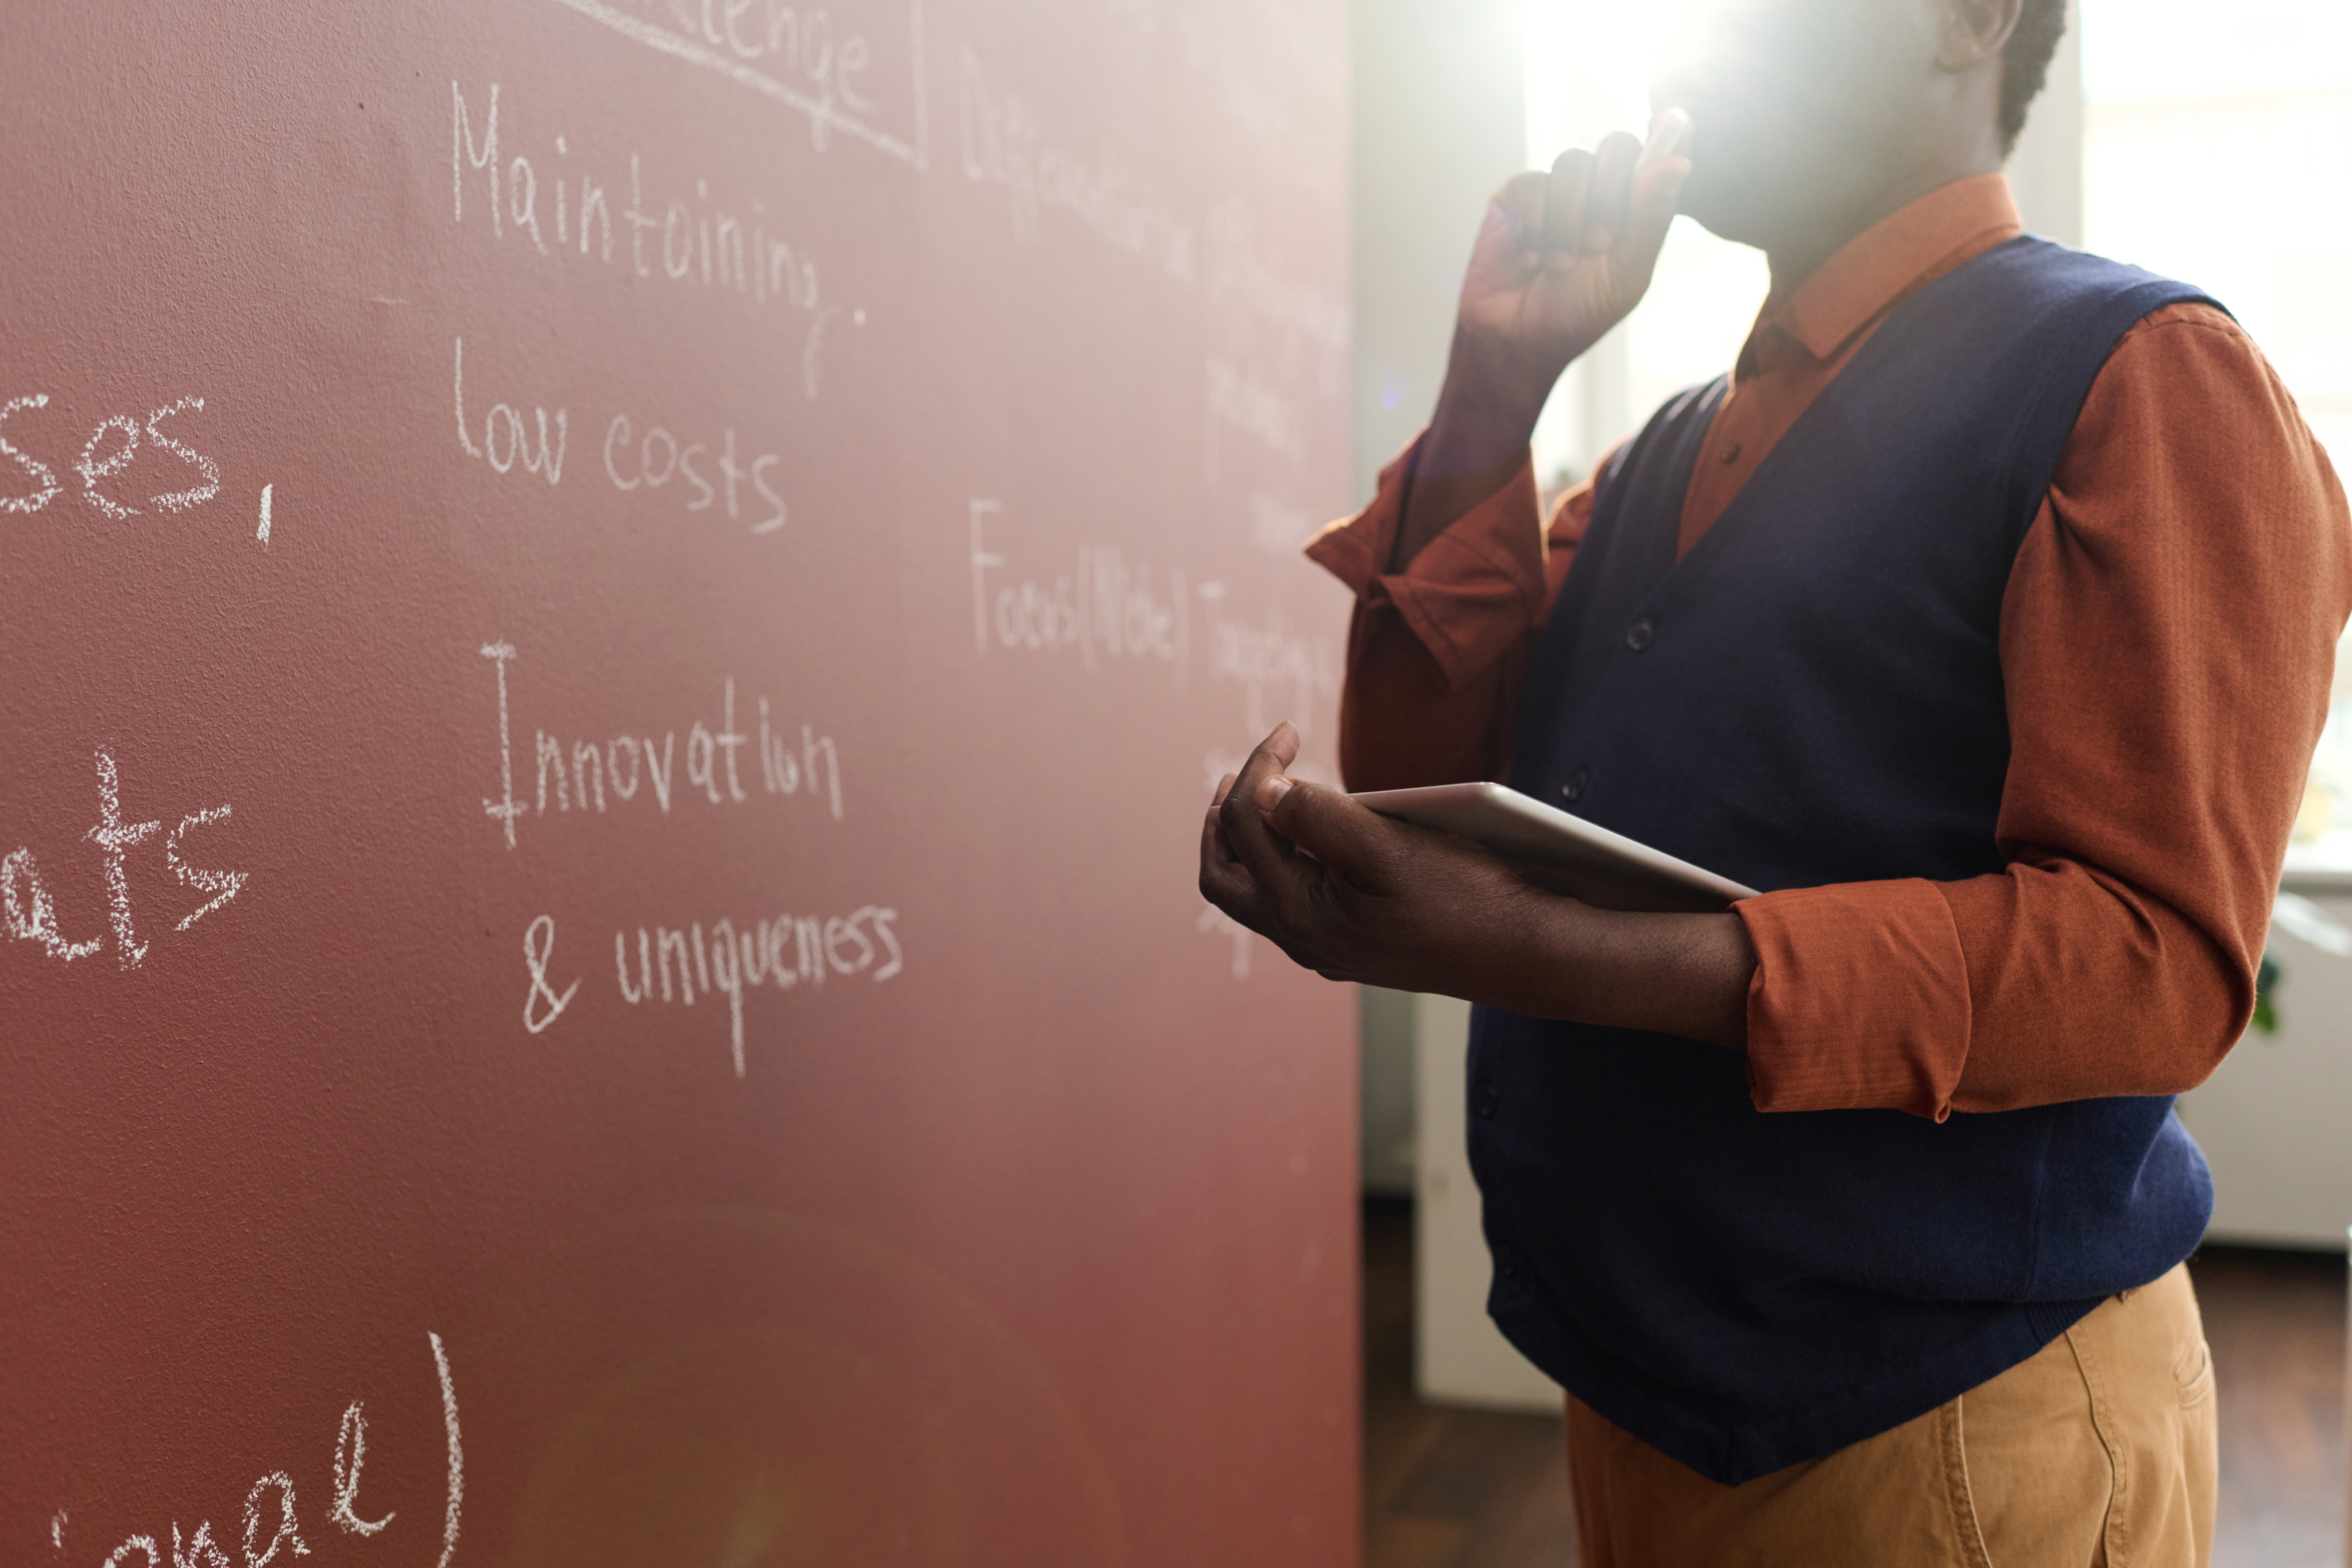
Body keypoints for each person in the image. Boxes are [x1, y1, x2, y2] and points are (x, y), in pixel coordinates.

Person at [1198, 0, 2352, 1561]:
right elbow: (1417, 775)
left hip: (1953, 1425)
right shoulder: (1666, 450)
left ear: (1972, 19)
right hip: (1651, 1399)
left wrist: (1545, 954)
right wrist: (1491, 395)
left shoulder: (2147, 377)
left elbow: (2150, 966)